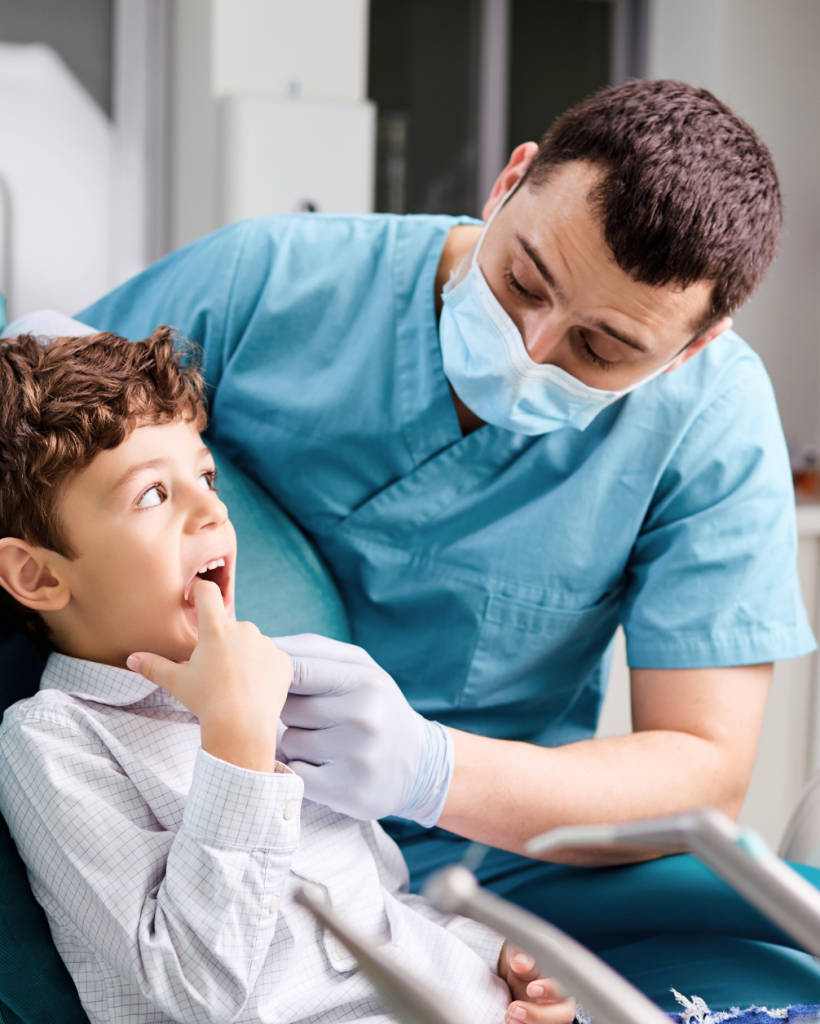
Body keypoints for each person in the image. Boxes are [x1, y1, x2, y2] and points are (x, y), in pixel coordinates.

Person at [70, 79, 819, 1004]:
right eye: (522, 280)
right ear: (511, 182)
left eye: (602, 348)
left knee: (777, 963)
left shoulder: (709, 418)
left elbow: (701, 770)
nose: (530, 346)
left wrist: (431, 769)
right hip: (213, 811)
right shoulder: (268, 283)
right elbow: (54, 437)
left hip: (497, 854)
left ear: (691, 348)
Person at [0, 328, 574, 1024]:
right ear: (38, 574)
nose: (211, 510)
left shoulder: (274, 682)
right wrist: (235, 749)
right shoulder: (55, 740)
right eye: (152, 495)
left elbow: (382, 907)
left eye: (205, 478)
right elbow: (192, 990)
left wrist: (497, 963)